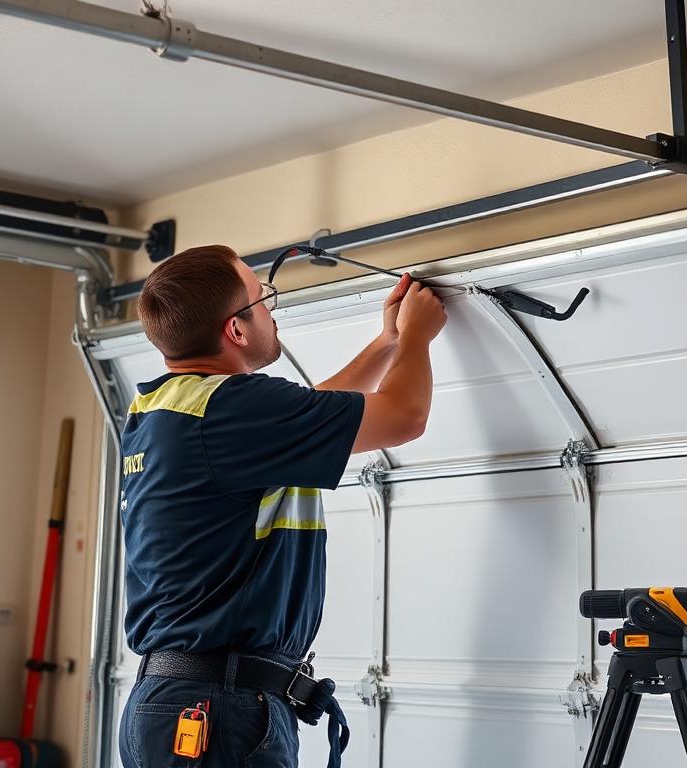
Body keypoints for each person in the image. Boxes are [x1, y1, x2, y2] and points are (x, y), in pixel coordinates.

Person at [117, 244, 446, 768]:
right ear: (237, 330)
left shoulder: (163, 408)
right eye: (262, 298)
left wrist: (388, 342)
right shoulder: (231, 408)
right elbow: (405, 417)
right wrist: (419, 339)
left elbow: (307, 421)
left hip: (175, 705)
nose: (272, 308)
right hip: (217, 712)